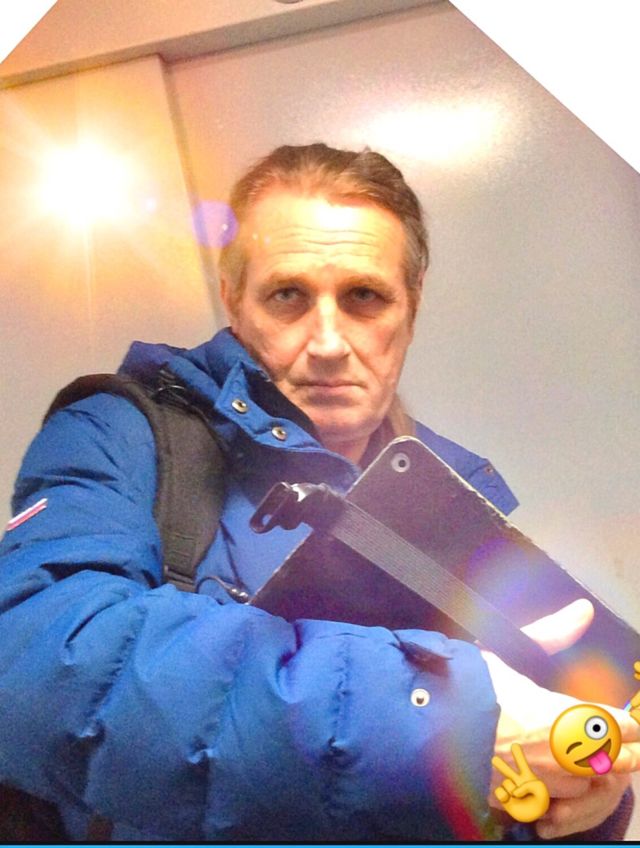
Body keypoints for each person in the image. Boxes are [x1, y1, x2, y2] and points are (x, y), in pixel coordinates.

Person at [0, 143, 637, 841]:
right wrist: (449, 720)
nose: (329, 342)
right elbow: (34, 667)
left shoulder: (451, 501)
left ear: (411, 308)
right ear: (235, 301)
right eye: (288, 296)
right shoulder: (121, 432)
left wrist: (579, 798)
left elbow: (503, 776)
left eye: (364, 297)